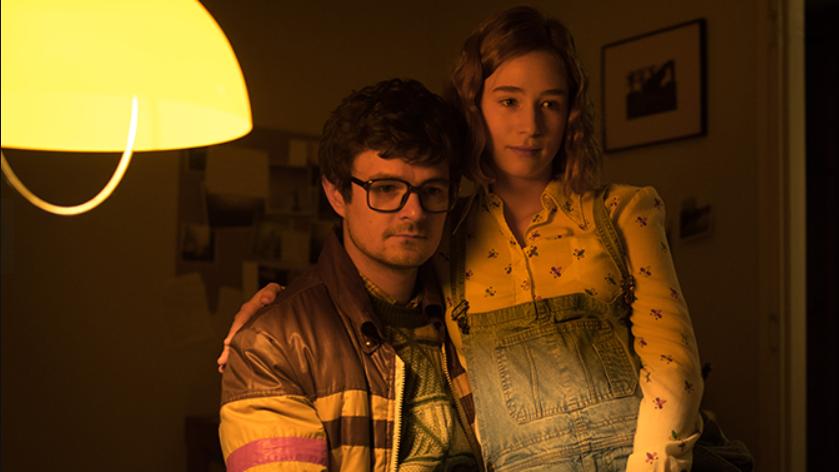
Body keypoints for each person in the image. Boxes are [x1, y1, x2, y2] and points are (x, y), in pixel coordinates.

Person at [220, 7, 704, 471]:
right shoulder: (447, 238)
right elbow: (339, 301)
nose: (412, 212)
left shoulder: (613, 215)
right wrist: (275, 311)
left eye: (550, 104)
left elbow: (672, 366)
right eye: (509, 101)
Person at [218, 78, 479, 472]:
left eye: (432, 191)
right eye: (386, 188)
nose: (414, 212)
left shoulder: (471, 312)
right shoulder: (271, 346)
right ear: (337, 194)